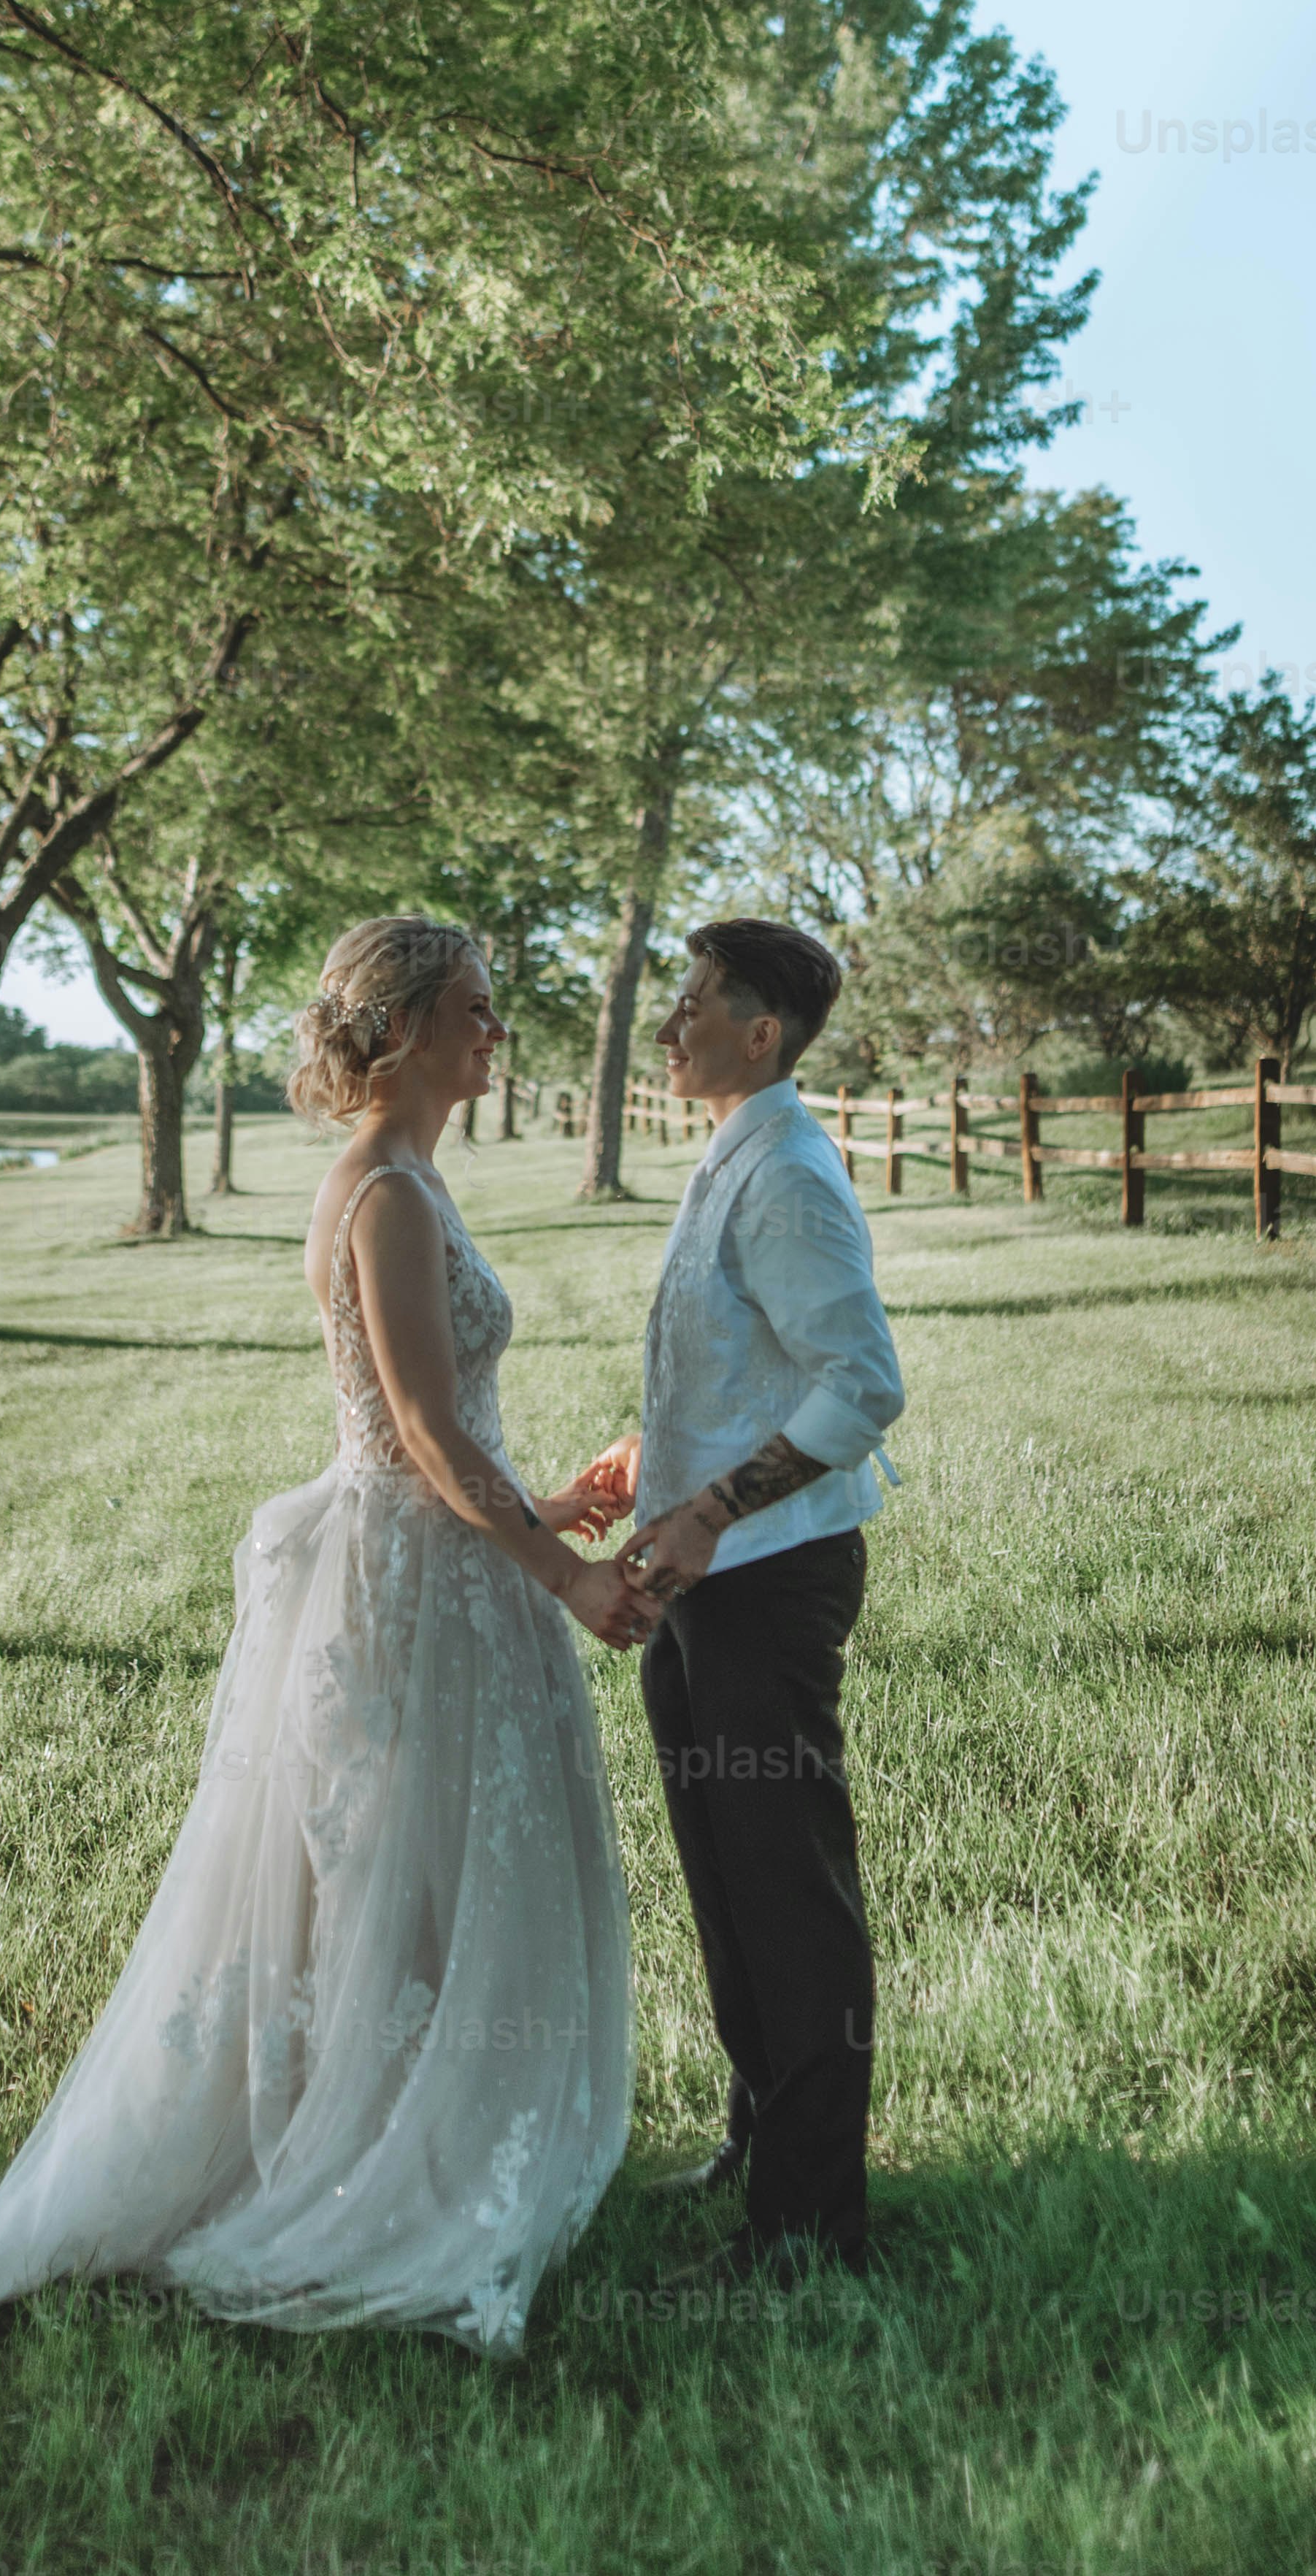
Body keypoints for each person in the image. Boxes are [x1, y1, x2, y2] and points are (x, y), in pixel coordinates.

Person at [0, 916, 646, 2355]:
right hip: (415, 1586)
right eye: (479, 1011)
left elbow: (431, 1425)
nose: (499, 1032)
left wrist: (548, 1500)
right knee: (392, 1879)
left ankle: (405, 2131)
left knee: (421, 1879)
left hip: (443, 1557)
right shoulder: (384, 1194)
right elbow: (420, 1430)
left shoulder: (414, 1177)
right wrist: (567, 1575)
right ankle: (365, 2175)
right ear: (407, 1026)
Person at [575, 918, 904, 2275]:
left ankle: (814, 2223)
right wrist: (659, 1454)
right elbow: (755, 1360)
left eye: (696, 1005)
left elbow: (863, 1386)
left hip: (767, 1581)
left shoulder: (787, 1175)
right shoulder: (733, 1151)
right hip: (713, 1570)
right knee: (723, 1878)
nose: (672, 1026)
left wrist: (714, 1508)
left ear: (759, 1035)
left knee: (788, 1892)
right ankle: (759, 2135)